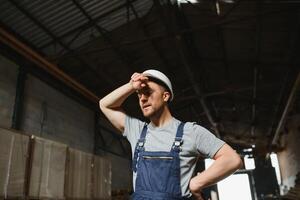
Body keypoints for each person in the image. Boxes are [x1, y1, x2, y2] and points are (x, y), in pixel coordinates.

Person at [99, 69, 243, 200]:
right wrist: (131, 86)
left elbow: (232, 159)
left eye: (148, 92)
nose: (142, 99)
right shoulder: (136, 130)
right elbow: (105, 104)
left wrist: (196, 183)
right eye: (139, 94)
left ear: (165, 96)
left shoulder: (191, 131)